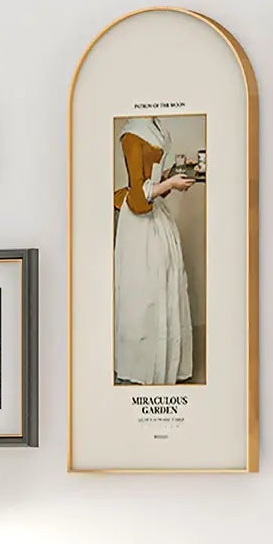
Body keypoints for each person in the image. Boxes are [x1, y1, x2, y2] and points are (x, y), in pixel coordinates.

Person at [114, 118, 196, 384]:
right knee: (143, 290)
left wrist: (176, 175)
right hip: (138, 225)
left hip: (158, 218)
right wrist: (171, 183)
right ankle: (141, 367)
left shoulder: (158, 127)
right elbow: (139, 196)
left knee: (165, 283)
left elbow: (155, 189)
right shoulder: (132, 135)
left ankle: (165, 363)